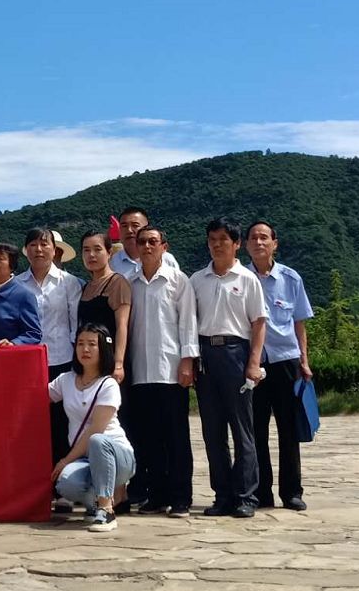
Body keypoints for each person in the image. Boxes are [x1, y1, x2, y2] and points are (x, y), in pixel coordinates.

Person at [190, 217, 268, 518]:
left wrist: (253, 363)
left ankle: (246, 496)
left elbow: (259, 323)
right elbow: (189, 324)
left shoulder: (247, 279)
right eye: (212, 239)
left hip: (237, 354)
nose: (217, 244)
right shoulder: (197, 280)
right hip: (206, 354)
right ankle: (222, 495)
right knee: (213, 431)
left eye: (223, 239)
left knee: (242, 430)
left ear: (236, 244)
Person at [127, 225, 198, 518]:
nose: (146, 247)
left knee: (176, 438)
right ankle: (156, 495)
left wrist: (188, 360)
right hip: (140, 372)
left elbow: (188, 322)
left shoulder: (178, 280)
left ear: (164, 246)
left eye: (152, 242)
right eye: (142, 242)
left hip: (170, 371)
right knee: (148, 438)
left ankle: (181, 497)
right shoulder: (129, 283)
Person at [246, 220, 313, 511]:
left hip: (286, 361)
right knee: (256, 431)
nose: (259, 242)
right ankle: (262, 493)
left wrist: (304, 361)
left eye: (264, 238)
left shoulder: (291, 278)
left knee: (288, 430)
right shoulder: (241, 277)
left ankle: (292, 492)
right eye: (253, 238)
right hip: (253, 364)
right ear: (246, 244)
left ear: (275, 243)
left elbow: (299, 323)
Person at [50, 323, 136, 533]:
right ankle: (99, 501)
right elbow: (33, 393)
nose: (85, 349)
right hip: (86, 460)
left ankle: (107, 510)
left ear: (103, 348)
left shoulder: (108, 385)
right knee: (65, 484)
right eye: (80, 344)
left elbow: (95, 431)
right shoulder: (66, 380)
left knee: (97, 440)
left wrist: (65, 460)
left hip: (117, 456)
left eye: (91, 344)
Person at [16, 227, 81, 470]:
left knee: (61, 423)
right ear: (26, 251)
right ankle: (35, 481)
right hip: (27, 363)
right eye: (33, 244)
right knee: (30, 423)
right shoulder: (18, 284)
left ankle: (63, 484)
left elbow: (75, 324)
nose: (39, 249)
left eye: (45, 244)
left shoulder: (69, 283)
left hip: (61, 360)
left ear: (55, 250)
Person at [78, 231, 132, 384]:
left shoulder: (118, 283)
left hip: (110, 361)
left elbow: (122, 326)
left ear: (109, 253)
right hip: (89, 363)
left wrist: (119, 363)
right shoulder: (85, 286)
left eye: (97, 249)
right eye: (86, 250)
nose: (91, 255)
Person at [110, 206, 180, 280]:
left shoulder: (166, 259)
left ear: (146, 228)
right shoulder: (112, 263)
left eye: (135, 225)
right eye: (124, 226)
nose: (129, 230)